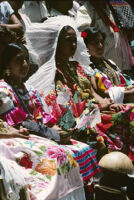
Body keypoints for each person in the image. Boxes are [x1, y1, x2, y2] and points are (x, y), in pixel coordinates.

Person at [27, 16, 134, 161]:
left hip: (92, 113)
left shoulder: (76, 67)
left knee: (127, 111)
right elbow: (66, 112)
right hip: (77, 124)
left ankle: (124, 165)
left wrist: (107, 103)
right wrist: (97, 108)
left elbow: (92, 94)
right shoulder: (53, 74)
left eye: (74, 40)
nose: (73, 45)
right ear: (56, 43)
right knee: (120, 120)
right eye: (68, 40)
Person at [0, 42, 101, 187]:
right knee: (60, 157)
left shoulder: (29, 88)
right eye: (18, 60)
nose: (24, 64)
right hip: (19, 136)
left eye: (26, 59)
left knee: (84, 149)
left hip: (39, 133)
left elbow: (41, 116)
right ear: (7, 64)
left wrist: (58, 129)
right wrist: (55, 134)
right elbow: (20, 123)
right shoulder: (3, 90)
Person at [75, 0, 134, 71]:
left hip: (123, 64)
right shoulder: (85, 11)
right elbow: (81, 34)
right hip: (104, 69)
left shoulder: (113, 7)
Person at [82, 27, 134, 103]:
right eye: (94, 43)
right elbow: (99, 93)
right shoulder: (86, 69)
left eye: (101, 42)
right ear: (85, 46)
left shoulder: (109, 63)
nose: (100, 46)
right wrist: (127, 93)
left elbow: (125, 81)